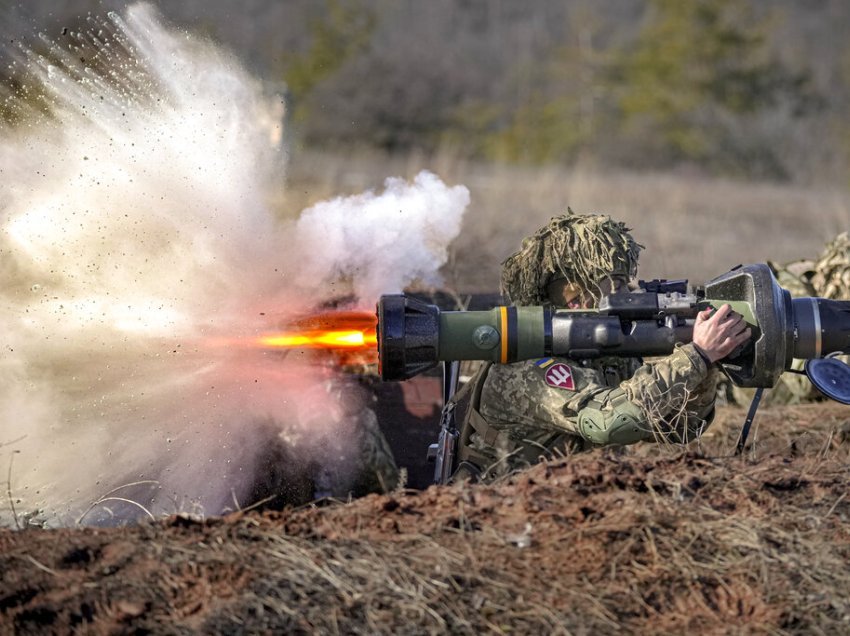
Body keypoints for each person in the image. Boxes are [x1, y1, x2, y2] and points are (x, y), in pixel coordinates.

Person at [451, 212, 752, 482]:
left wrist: (707, 364)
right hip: (497, 516)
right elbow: (608, 422)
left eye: (622, 283)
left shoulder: (604, 356)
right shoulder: (527, 365)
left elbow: (679, 427)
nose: (623, 293)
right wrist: (695, 356)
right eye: (611, 283)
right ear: (573, 295)